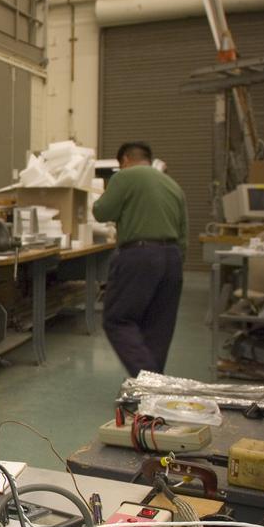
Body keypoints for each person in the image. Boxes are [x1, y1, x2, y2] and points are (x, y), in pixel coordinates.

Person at [92, 141, 188, 376]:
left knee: (118, 319)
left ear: (124, 159)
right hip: (172, 257)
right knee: (159, 326)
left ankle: (146, 382)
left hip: (139, 255)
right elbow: (184, 234)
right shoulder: (173, 185)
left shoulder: (125, 177)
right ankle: (154, 385)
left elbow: (102, 212)